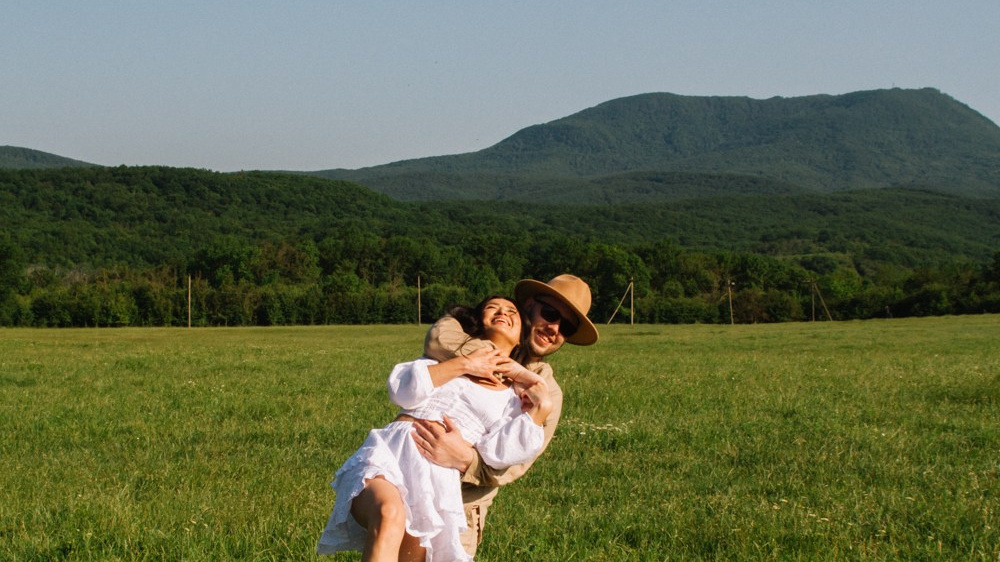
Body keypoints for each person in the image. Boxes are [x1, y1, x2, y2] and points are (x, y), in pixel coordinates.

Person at [317, 296, 553, 561]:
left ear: (521, 337)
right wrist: (466, 363)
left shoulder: (513, 397)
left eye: (512, 311)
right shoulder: (440, 362)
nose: (502, 312)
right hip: (390, 456)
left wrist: (539, 405)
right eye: (492, 307)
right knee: (388, 514)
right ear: (478, 322)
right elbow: (401, 391)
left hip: (436, 483)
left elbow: (500, 454)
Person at [414, 274, 599, 557]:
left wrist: (464, 458)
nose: (554, 328)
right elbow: (439, 336)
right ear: (527, 307)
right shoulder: (472, 328)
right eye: (549, 313)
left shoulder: (546, 390)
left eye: (568, 326)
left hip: (460, 507)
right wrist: (505, 365)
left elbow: (515, 465)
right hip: (409, 482)